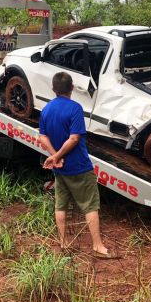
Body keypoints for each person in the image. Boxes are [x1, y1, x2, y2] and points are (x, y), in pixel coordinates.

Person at [38, 72, 115, 258]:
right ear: (71, 88)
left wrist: (54, 158)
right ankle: (97, 246)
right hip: (79, 166)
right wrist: (58, 156)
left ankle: (64, 244)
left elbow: (42, 137)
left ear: (54, 89)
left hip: (60, 169)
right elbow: (74, 138)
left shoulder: (46, 109)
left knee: (60, 205)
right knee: (90, 206)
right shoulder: (75, 108)